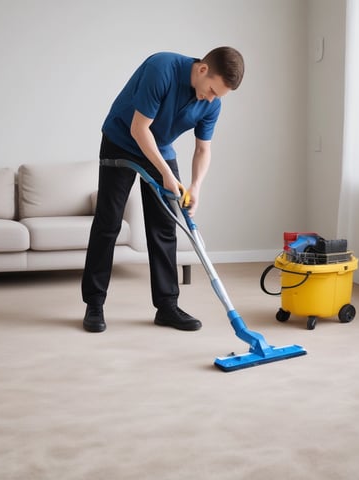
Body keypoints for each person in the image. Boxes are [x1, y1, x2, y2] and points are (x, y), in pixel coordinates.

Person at [81, 46, 245, 333]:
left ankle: (167, 306)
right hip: (122, 138)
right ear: (203, 70)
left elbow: (203, 149)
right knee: (109, 222)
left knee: (164, 226)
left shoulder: (212, 104)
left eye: (218, 96)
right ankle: (94, 303)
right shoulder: (162, 68)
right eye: (211, 90)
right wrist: (168, 175)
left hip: (160, 148)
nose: (211, 98)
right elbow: (139, 129)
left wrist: (196, 186)